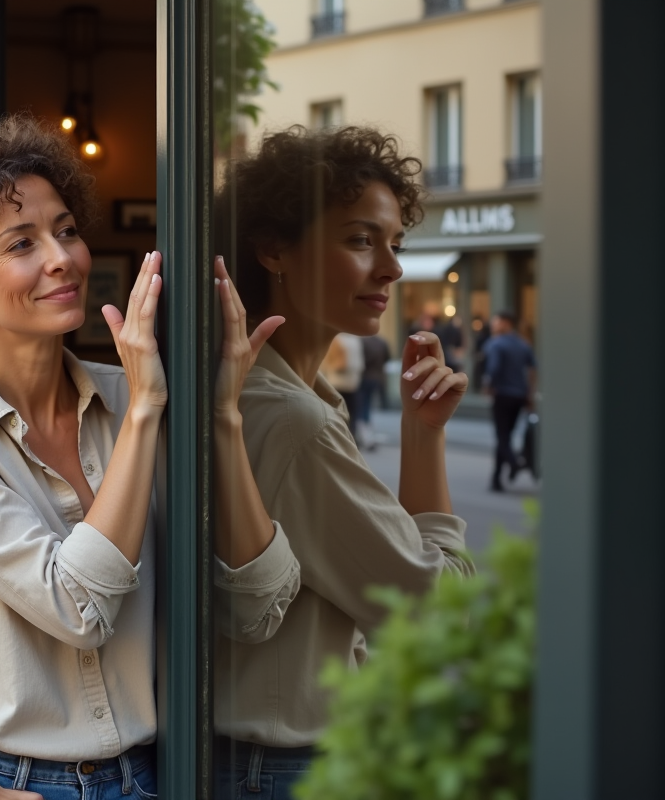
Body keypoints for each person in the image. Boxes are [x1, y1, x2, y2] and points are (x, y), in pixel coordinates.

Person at [0, 117, 298, 800]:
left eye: (65, 231)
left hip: (156, 778)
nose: (61, 257)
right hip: (1, 782)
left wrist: (222, 415)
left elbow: (258, 609)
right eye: (21, 243)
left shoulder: (137, 396)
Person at [217, 125, 475, 797]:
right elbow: (436, 616)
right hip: (280, 767)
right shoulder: (293, 421)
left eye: (395, 243)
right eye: (361, 240)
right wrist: (425, 441)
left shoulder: (249, 393)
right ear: (274, 249)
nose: (390, 267)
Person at [482, 310, 537, 491]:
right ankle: (496, 479)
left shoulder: (496, 344)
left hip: (503, 394)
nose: (493, 325)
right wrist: (529, 394)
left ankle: (514, 463)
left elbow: (493, 369)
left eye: (496, 321)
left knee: (502, 436)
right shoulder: (523, 344)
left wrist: (489, 386)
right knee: (506, 435)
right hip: (520, 396)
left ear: (506, 323)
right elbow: (532, 370)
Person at [319, 331, 364, 443]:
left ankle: (342, 439)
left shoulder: (337, 339)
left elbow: (338, 363)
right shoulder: (355, 339)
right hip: (353, 382)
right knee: (351, 413)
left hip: (337, 381)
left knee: (338, 414)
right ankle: (351, 438)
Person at [359, 333, 391, 450]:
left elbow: (361, 360)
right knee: (368, 403)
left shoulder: (363, 342)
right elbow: (388, 358)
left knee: (364, 404)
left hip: (365, 377)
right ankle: (366, 431)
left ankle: (365, 432)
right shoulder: (382, 343)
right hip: (377, 377)